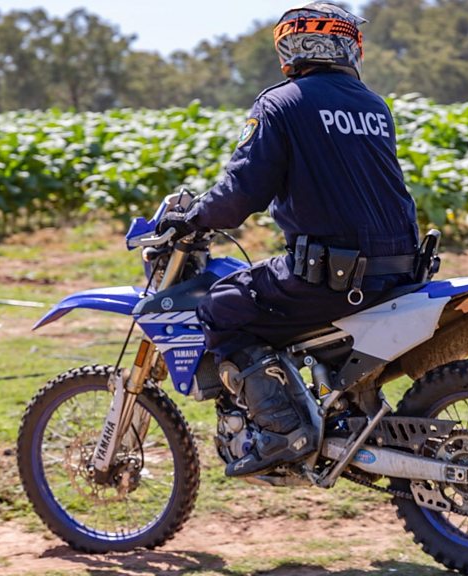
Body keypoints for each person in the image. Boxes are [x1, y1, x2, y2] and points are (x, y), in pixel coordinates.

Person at [158, 2, 420, 477]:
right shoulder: (373, 105)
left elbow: (241, 193)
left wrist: (193, 217)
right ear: (345, 46)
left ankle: (284, 432)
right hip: (402, 270)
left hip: (333, 277)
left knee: (223, 305)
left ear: (291, 46)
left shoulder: (281, 103)